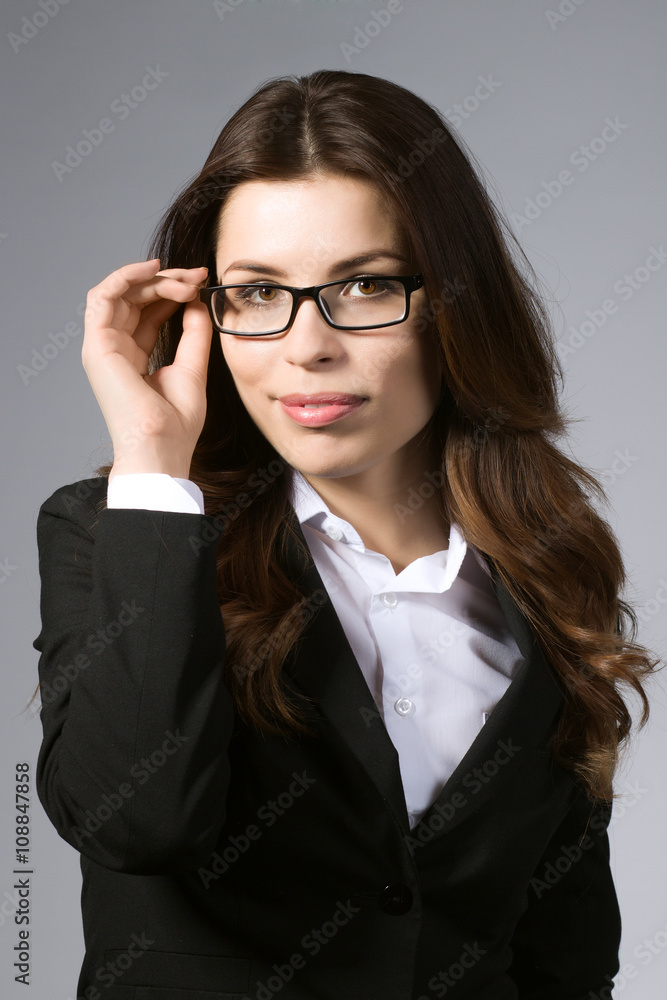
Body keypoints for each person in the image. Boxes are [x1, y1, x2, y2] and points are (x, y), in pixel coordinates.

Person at [32, 69, 658, 1000]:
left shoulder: (546, 565)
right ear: (206, 317)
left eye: (363, 286)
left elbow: (566, 956)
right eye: (255, 294)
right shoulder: (122, 531)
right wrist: (155, 468)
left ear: (454, 301)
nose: (306, 345)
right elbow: (139, 824)